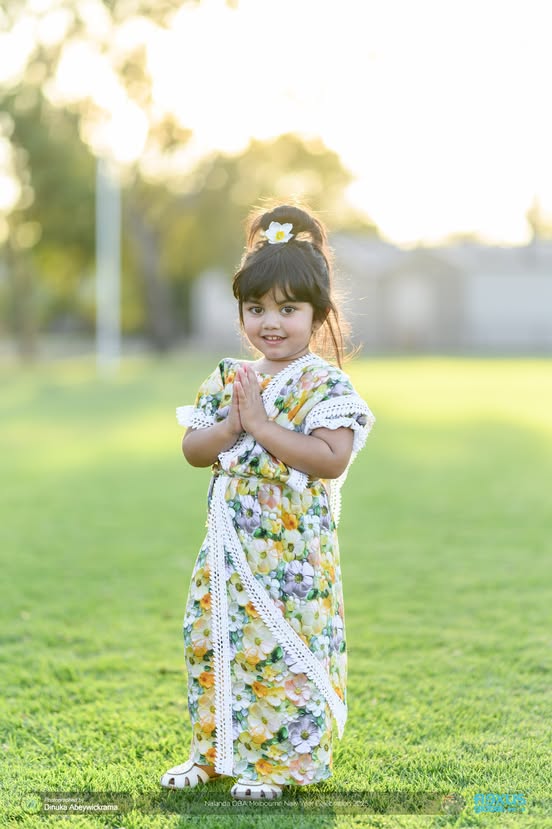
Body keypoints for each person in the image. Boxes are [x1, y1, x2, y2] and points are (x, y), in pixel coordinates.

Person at [160, 203, 376, 801]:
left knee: (284, 650)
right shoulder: (231, 377)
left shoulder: (325, 384)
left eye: (288, 309)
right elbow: (193, 450)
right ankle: (213, 751)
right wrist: (232, 423)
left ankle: (280, 765)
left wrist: (261, 424)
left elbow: (330, 457)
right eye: (256, 310)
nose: (270, 323)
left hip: (291, 555)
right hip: (227, 548)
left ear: (319, 314)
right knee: (214, 637)